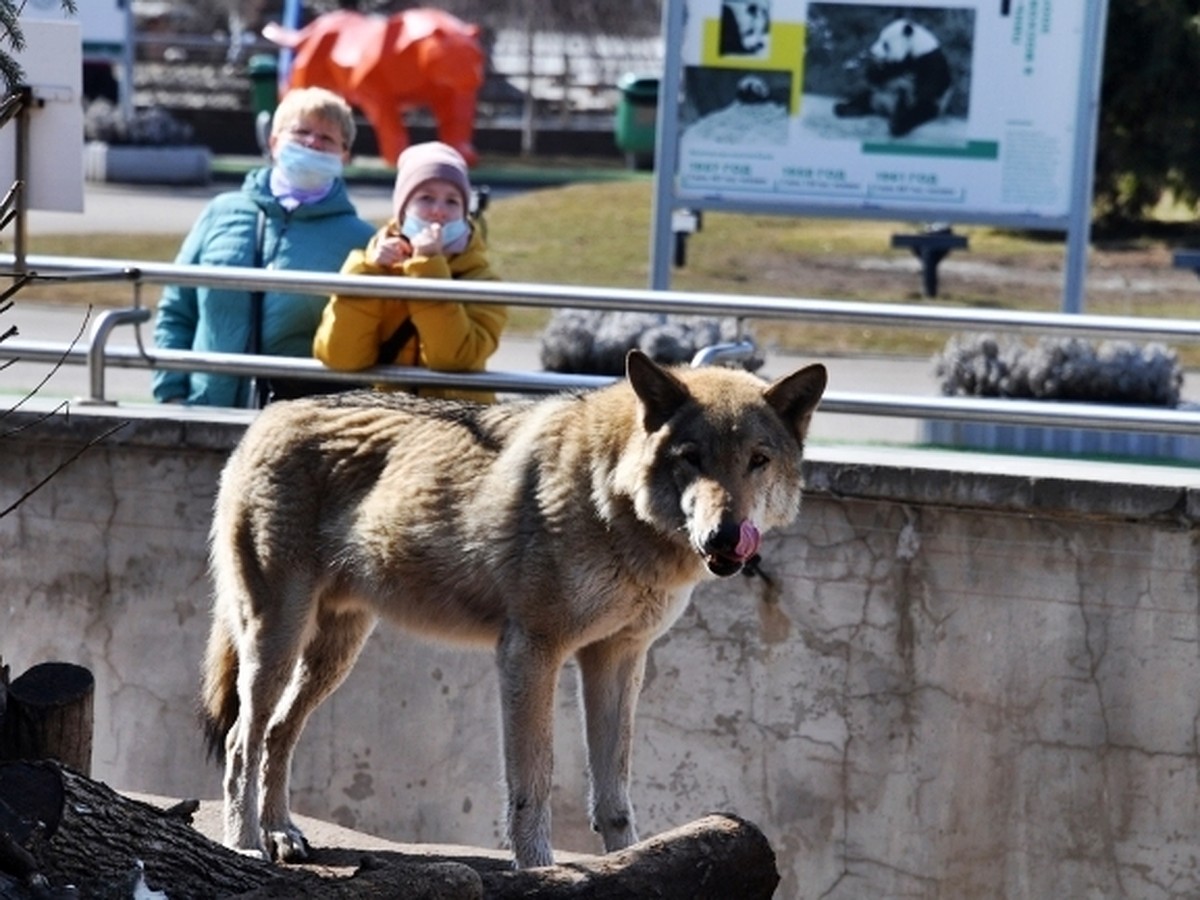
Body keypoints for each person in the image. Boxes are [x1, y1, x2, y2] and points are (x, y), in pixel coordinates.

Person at [152, 87, 376, 407]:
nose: (312, 143)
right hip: (204, 411)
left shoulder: (360, 240)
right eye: (300, 132)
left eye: (327, 138)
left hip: (294, 430)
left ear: (345, 155)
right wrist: (170, 393)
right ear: (274, 142)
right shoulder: (221, 212)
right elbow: (177, 308)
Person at [313, 141, 505, 402]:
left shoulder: (482, 279)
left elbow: (455, 358)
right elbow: (340, 356)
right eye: (426, 198)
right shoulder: (369, 266)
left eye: (452, 201)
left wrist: (427, 266)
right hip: (386, 423)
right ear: (402, 211)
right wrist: (369, 274)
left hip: (458, 429)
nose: (439, 211)